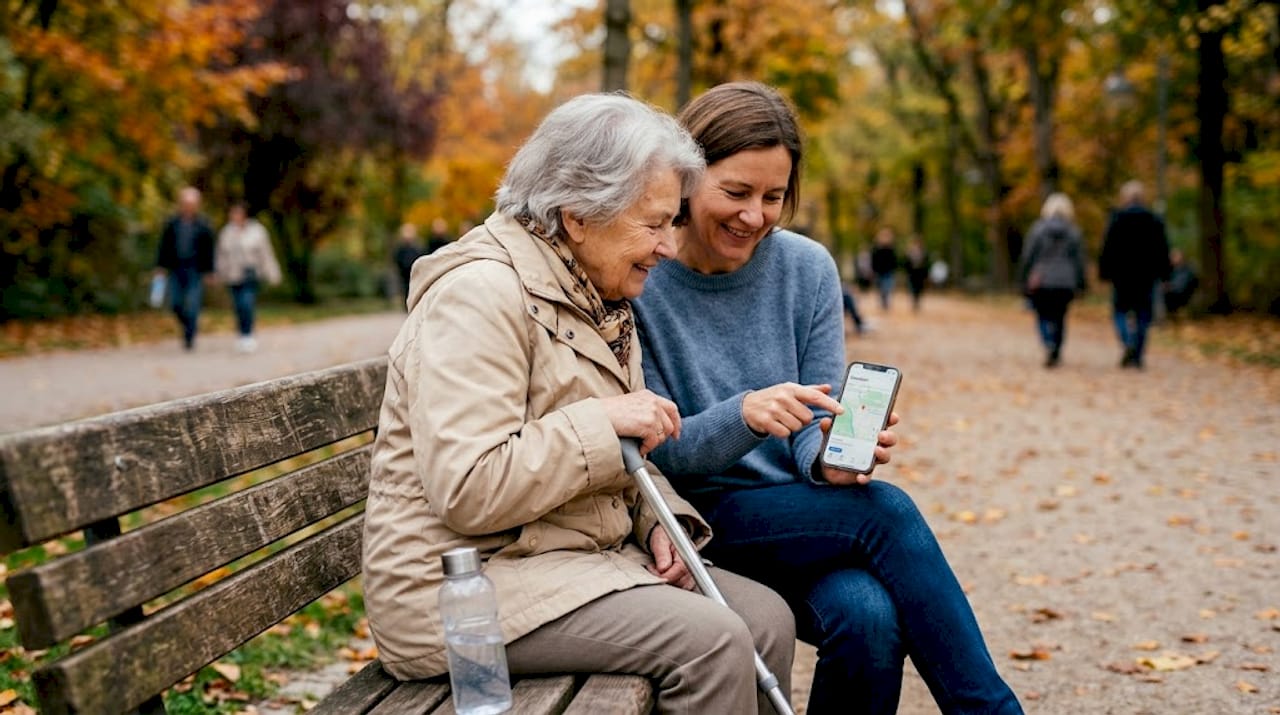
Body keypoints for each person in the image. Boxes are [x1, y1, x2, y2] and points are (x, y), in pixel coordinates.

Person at [361, 93, 795, 715]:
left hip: (568, 561)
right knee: (713, 642)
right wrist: (603, 423)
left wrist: (659, 524)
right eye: (653, 224)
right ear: (577, 216)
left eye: (672, 222)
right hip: (461, 586)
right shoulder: (479, 295)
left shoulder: (599, 296)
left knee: (766, 618)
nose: (669, 246)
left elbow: (626, 456)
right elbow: (468, 486)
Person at [634, 82, 1022, 715]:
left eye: (773, 197)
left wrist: (830, 462)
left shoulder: (807, 267)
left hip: (803, 515)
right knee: (886, 512)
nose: (754, 215)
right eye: (735, 192)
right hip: (701, 519)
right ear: (684, 179)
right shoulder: (644, 275)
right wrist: (745, 415)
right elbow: (658, 454)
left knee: (868, 617)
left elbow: (818, 414)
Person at [1099, 180, 1171, 369]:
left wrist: (1104, 273)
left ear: (1125, 198)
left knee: (1120, 311)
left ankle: (1127, 341)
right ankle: (1137, 353)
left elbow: (1108, 248)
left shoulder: (1117, 219)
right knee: (1143, 314)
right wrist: (1165, 275)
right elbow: (1162, 250)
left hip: (1121, 276)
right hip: (1146, 276)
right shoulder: (1154, 220)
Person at [1019, 192, 1087, 368]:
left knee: (1042, 314)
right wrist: (1081, 282)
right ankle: (1056, 346)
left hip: (1042, 279)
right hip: (1065, 281)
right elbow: (1079, 260)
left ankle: (1048, 342)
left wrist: (1023, 279)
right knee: (1060, 317)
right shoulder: (1073, 232)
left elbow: (1028, 256)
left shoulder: (1038, 229)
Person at [155, 186, 216, 351]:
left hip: (195, 270)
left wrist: (210, 271)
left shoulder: (204, 225)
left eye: (192, 203)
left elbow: (209, 250)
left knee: (192, 303)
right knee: (175, 303)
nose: (188, 206)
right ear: (181, 204)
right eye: (185, 203)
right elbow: (164, 247)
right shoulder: (172, 223)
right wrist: (160, 266)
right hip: (175, 269)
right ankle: (187, 326)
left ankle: (190, 334)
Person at [215, 202, 282, 353]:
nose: (234, 217)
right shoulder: (226, 232)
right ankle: (241, 334)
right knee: (238, 306)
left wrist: (273, 274)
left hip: (250, 274)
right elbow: (220, 255)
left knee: (247, 304)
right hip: (232, 275)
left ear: (245, 215)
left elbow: (266, 254)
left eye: (237, 213)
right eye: (232, 214)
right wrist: (218, 273)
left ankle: (248, 335)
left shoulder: (257, 231)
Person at [392, 222, 423, 306]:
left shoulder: (417, 247)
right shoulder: (400, 248)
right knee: (405, 289)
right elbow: (397, 258)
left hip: (415, 271)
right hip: (404, 273)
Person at [1163, 247, 1199, 317]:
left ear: (1182, 257)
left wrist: (1169, 287)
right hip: (1173, 296)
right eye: (1172, 256)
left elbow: (1181, 286)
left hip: (1182, 297)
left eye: (1175, 256)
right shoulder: (1171, 270)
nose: (1172, 259)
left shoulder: (1188, 270)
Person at [870, 227, 898, 311]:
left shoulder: (891, 249)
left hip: (888, 272)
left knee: (887, 287)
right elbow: (874, 260)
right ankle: (883, 301)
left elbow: (894, 260)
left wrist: (893, 269)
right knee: (881, 288)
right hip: (879, 272)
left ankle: (885, 302)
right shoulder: (877, 249)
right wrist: (874, 270)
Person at [904, 234, 930, 312]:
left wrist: (926, 274)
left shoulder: (924, 252)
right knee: (912, 288)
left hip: (920, 274)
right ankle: (914, 301)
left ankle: (917, 301)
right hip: (912, 273)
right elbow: (905, 263)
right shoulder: (909, 252)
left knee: (919, 288)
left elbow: (926, 264)